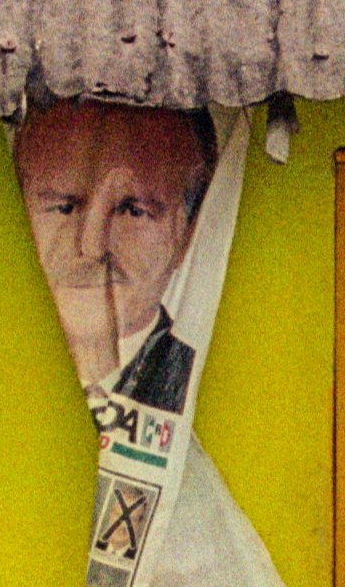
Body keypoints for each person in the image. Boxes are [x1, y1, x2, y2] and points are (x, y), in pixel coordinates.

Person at [11, 100, 214, 398]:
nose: (92, 247)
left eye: (132, 211)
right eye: (65, 207)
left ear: (188, 231)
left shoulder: (215, 384)